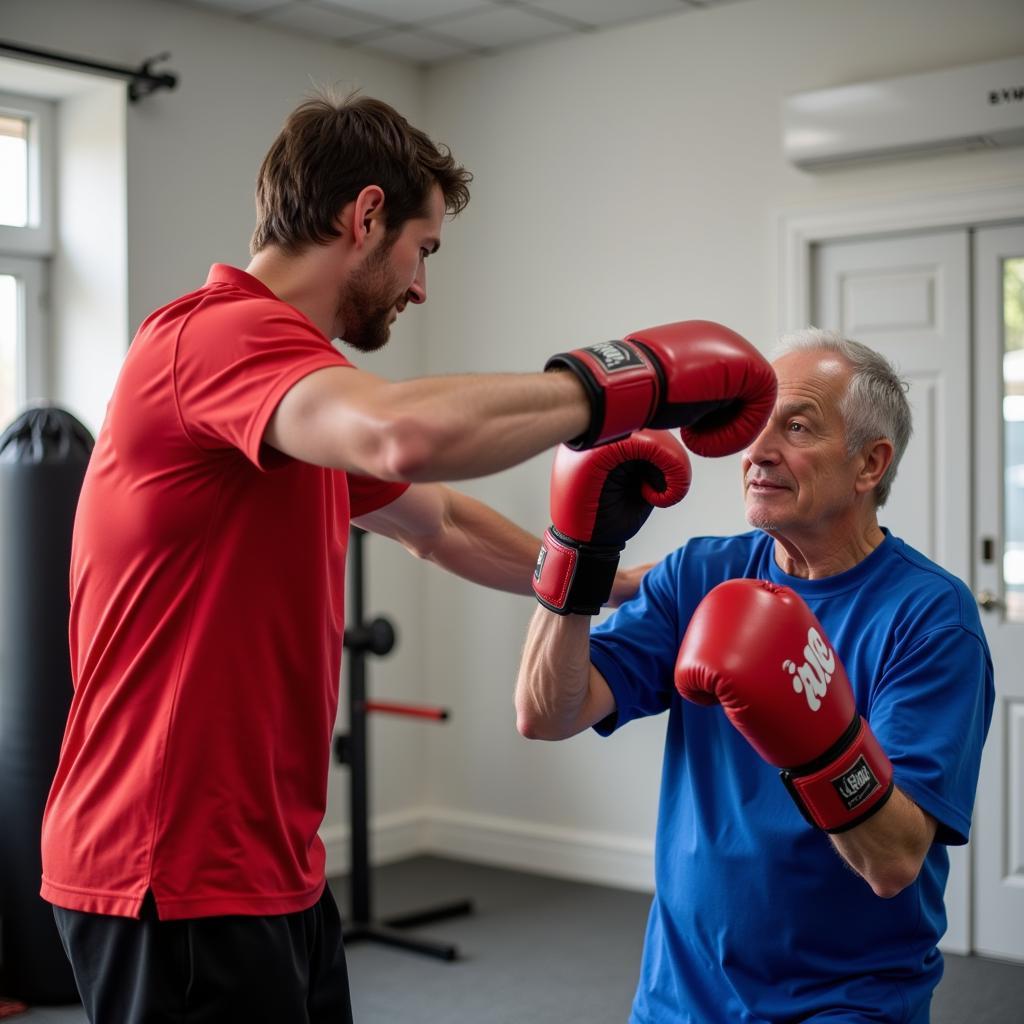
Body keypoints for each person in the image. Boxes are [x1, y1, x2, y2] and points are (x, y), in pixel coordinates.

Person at [38, 91, 777, 1024]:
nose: (421, 287)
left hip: (269, 863)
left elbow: (443, 528)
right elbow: (401, 438)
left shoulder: (293, 405)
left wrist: (624, 577)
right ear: (367, 214)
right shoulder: (216, 335)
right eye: (422, 250)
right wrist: (630, 383)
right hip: (171, 865)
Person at [517, 329, 995, 1023]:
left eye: (797, 427)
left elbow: (893, 862)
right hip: (678, 996)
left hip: (843, 1003)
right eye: (758, 427)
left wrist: (814, 731)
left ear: (870, 464)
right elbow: (547, 711)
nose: (759, 452)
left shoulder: (930, 616)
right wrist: (579, 554)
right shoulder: (702, 572)